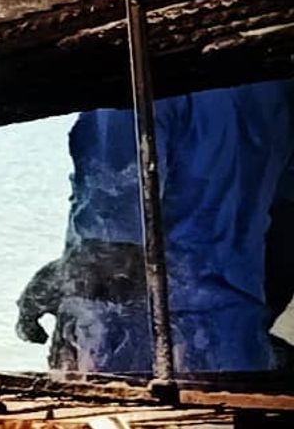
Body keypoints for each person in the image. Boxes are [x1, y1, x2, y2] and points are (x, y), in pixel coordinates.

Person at [17, 80, 294, 375]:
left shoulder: (132, 80)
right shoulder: (274, 82)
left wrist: (49, 286)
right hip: (238, 351)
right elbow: (285, 236)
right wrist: (238, 323)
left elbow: (113, 255)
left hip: (138, 356)